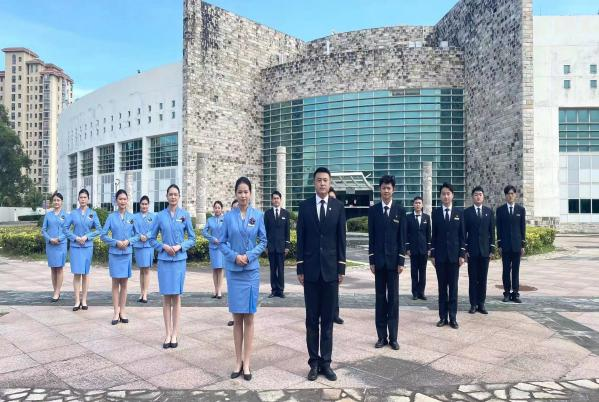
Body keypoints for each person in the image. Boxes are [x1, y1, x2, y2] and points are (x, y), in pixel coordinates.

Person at [297, 167, 346, 382]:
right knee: (311, 320)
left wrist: (341, 268)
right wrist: (300, 267)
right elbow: (301, 238)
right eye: (319, 180)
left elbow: (341, 239)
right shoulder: (305, 206)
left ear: (330, 182)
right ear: (314, 183)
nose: (322, 183)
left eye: (325, 180)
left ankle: (326, 362)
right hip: (310, 272)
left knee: (327, 320)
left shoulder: (338, 207)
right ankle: (314, 363)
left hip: (330, 272)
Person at [219, 177, 267, 381]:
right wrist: (234, 256)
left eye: (246, 191)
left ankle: (247, 363)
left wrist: (249, 256)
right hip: (234, 271)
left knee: (249, 317)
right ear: (235, 194)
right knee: (237, 318)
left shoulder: (258, 215)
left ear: (250, 193)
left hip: (251, 271)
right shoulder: (228, 217)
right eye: (240, 192)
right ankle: (237, 361)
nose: (243, 195)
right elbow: (221, 243)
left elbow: (263, 241)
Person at [149, 184, 196, 349]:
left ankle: (175, 333)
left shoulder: (185, 215)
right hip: (164, 260)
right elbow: (151, 238)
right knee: (166, 297)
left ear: (179, 196)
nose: (173, 197)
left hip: (179, 260)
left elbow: (192, 238)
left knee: (176, 297)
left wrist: (180, 246)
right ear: (166, 196)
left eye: (176, 194)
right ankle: (167, 333)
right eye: (171, 194)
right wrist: (163, 246)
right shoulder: (160, 216)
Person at [367, 175, 406, 350]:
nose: (386, 191)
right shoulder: (374, 210)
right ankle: (381, 337)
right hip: (379, 263)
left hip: (393, 264)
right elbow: (371, 237)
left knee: (394, 301)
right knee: (380, 299)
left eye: (389, 188)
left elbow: (402, 237)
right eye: (383, 188)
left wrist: (401, 260)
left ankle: (394, 337)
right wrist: (372, 259)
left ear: (393, 190)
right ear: (380, 190)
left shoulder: (400, 210)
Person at [101, 189, 140, 325]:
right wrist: (115, 242)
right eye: (120, 199)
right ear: (116, 201)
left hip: (126, 254)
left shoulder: (132, 217)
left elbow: (138, 235)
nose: (122, 201)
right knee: (115, 283)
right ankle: (115, 312)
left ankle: (122, 311)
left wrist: (129, 241)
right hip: (115, 254)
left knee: (124, 284)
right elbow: (103, 235)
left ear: (127, 200)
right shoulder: (111, 217)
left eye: (124, 199)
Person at [431, 182, 465, 329]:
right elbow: (434, 235)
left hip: (454, 257)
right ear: (440, 196)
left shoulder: (459, 213)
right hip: (440, 257)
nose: (446, 196)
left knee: (453, 288)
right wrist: (432, 254)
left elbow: (462, 236)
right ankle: (442, 317)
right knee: (442, 288)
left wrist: (462, 254)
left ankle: (453, 317)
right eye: (443, 194)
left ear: (452, 196)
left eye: (448, 194)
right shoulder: (436, 213)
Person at [66, 189, 101, 311]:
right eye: (81, 197)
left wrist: (87, 237)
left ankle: (84, 300)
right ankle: (77, 301)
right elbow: (65, 229)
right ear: (78, 199)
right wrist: (75, 238)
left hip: (87, 246)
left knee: (85, 274)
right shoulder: (73, 213)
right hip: (75, 246)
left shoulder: (93, 213)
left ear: (88, 199)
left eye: (85, 197)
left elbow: (99, 229)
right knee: (77, 273)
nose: (83, 199)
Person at [464, 186, 496, 314]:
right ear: (472, 197)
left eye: (480, 194)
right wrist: (465, 250)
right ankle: (473, 304)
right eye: (476, 195)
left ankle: (481, 304)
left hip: (485, 251)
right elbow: (463, 233)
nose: (478, 197)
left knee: (483, 279)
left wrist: (492, 249)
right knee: (473, 279)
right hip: (472, 251)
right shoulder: (467, 213)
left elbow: (492, 232)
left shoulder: (489, 212)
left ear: (483, 197)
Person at [496, 185, 526, 303]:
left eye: (512, 193)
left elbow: (522, 228)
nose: (510, 196)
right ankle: (507, 293)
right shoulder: (500, 210)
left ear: (515, 195)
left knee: (516, 271)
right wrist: (499, 245)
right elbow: (498, 228)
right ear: (505, 196)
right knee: (506, 270)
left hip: (517, 245)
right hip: (505, 246)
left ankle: (516, 293)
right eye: (508, 194)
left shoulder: (520, 210)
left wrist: (523, 245)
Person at [41, 191, 68, 302]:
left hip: (61, 245)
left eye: (58, 200)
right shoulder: (48, 215)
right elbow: (43, 230)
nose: (56, 202)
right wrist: (50, 239)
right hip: (50, 245)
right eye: (55, 200)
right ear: (52, 202)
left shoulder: (66, 215)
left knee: (59, 268)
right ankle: (55, 290)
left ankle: (57, 291)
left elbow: (68, 230)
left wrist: (59, 239)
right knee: (53, 268)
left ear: (62, 202)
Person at [264, 191, 290, 298]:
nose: (276, 200)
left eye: (277, 198)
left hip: (281, 247)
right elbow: (265, 231)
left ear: (280, 199)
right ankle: (274, 290)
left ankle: (280, 290)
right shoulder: (267, 214)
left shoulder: (285, 213)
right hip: (271, 247)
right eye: (274, 198)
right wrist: (265, 246)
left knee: (281, 269)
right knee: (273, 270)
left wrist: (287, 246)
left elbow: (287, 231)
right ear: (272, 200)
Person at [405, 196, 431, 301]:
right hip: (413, 249)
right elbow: (406, 234)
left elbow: (428, 234)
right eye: (416, 203)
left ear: (422, 205)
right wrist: (407, 248)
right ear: (413, 205)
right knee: (414, 272)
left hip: (424, 249)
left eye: (419, 203)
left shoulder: (426, 217)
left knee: (423, 272)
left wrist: (429, 248)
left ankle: (421, 292)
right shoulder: (408, 217)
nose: (417, 205)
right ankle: (415, 293)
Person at [133, 195, 155, 303]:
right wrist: (139, 236)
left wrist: (147, 236)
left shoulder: (153, 217)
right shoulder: (134, 217)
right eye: (142, 204)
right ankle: (141, 293)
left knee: (146, 270)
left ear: (148, 205)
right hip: (138, 245)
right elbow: (133, 230)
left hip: (148, 246)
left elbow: (155, 230)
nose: (144, 206)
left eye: (146, 204)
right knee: (141, 270)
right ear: (139, 205)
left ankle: (145, 293)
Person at [202, 200, 226, 299]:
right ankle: (215, 290)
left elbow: (229, 232)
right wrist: (212, 239)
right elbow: (204, 232)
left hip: (222, 247)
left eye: (219, 207)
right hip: (213, 247)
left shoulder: (225, 219)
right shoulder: (210, 220)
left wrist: (223, 240)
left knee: (220, 268)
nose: (217, 209)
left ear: (221, 209)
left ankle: (219, 290)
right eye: (215, 207)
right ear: (213, 209)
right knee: (215, 269)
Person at [328, 187, 344, 325]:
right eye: (330, 197)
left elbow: (341, 240)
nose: (331, 200)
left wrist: (341, 264)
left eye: (333, 197)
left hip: (333, 259)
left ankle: (335, 314)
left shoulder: (338, 211)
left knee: (334, 290)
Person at [226, 199, 239, 327]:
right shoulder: (228, 220)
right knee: (232, 290)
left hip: (244, 260)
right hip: (231, 259)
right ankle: (234, 316)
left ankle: (240, 316)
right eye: (234, 207)